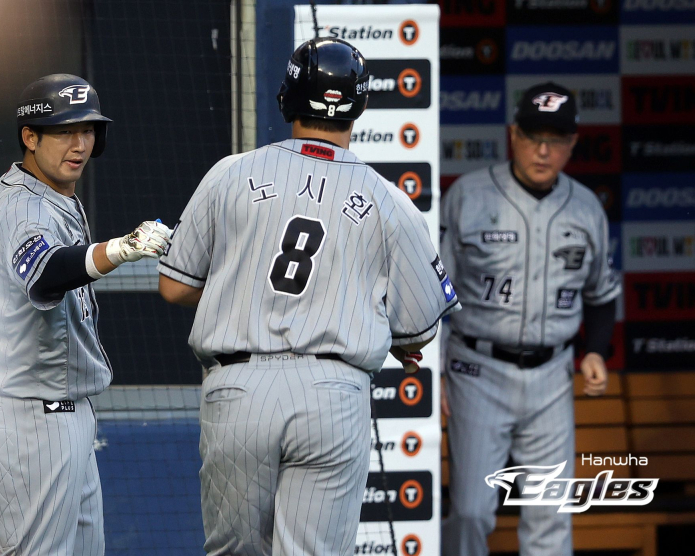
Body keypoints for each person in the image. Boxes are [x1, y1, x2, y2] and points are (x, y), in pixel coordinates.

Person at [158, 38, 460, 556]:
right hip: (332, 393)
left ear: (287, 98)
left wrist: (243, 287)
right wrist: (370, 318)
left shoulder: (230, 173)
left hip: (239, 388)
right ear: (360, 105)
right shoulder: (390, 201)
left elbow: (175, 285)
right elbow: (418, 333)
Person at [0, 74, 170, 556]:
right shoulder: (23, 208)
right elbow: (46, 272)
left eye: (87, 130)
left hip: (56, 412)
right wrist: (120, 249)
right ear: (30, 137)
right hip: (27, 419)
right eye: (63, 132)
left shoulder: (51, 194)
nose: (79, 144)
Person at [440, 82, 621, 556]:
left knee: (550, 517)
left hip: (551, 378)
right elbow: (434, 295)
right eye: (534, 137)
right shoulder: (469, 196)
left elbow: (602, 294)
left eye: (556, 140)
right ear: (513, 134)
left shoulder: (586, 208)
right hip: (477, 371)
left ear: (572, 143)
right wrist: (435, 368)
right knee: (471, 511)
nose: (543, 151)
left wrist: (595, 351)